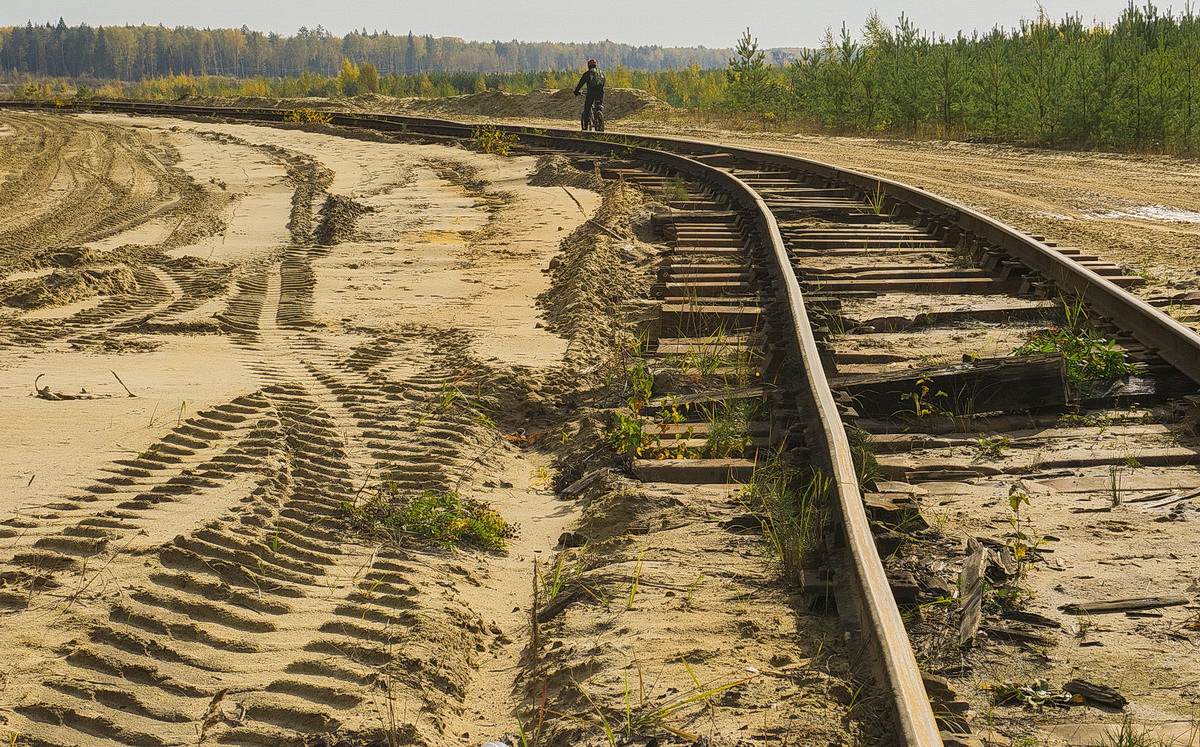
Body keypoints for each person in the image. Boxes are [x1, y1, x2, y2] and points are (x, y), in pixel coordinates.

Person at [573, 59, 605, 132]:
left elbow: (580, 83)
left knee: (587, 108)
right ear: (595, 65)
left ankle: (585, 127)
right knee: (598, 107)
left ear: (588, 66)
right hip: (600, 93)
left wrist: (576, 91)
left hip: (591, 93)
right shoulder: (600, 73)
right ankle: (599, 120)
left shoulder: (587, 74)